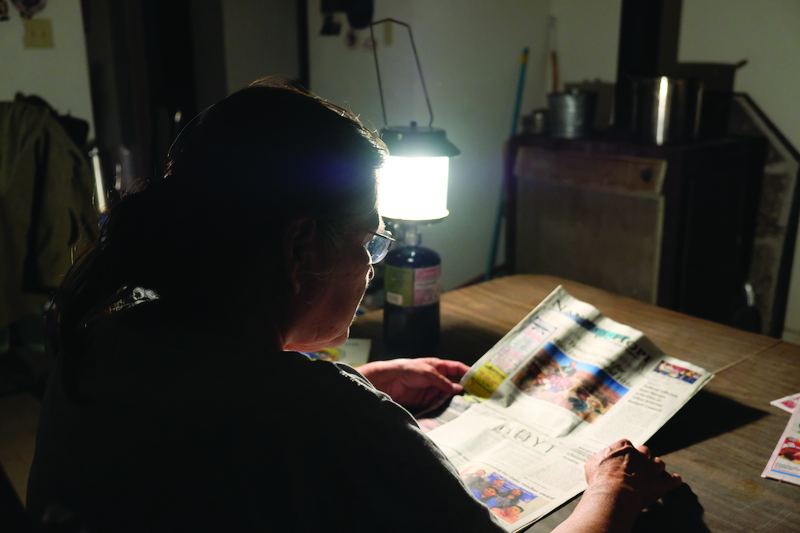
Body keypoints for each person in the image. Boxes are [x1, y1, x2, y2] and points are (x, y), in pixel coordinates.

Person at [26, 80, 682, 532]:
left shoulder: (97, 345)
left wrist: (368, 380)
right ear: (300, 248)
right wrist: (612, 488)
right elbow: (283, 423)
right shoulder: (324, 412)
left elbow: (212, 422)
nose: (375, 260)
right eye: (370, 236)